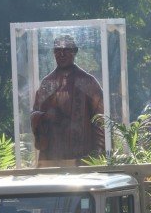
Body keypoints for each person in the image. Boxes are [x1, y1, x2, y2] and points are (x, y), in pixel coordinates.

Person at [31, 35, 104, 167]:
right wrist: (45, 116)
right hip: (53, 154)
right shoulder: (48, 83)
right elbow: (35, 113)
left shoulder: (87, 81)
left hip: (82, 156)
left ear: (75, 51)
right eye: (57, 51)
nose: (62, 54)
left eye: (66, 50)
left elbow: (101, 120)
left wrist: (99, 154)